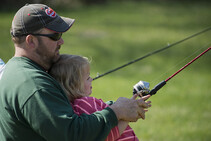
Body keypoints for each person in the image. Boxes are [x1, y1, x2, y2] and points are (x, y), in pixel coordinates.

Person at [0, 3, 151, 141]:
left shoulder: (16, 70)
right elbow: (73, 134)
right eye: (55, 36)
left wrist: (117, 106)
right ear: (31, 41)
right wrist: (116, 112)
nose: (61, 42)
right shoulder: (33, 84)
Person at [49, 54, 151, 141]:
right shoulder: (84, 104)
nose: (92, 79)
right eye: (88, 77)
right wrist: (127, 116)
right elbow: (108, 136)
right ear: (74, 85)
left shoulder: (76, 106)